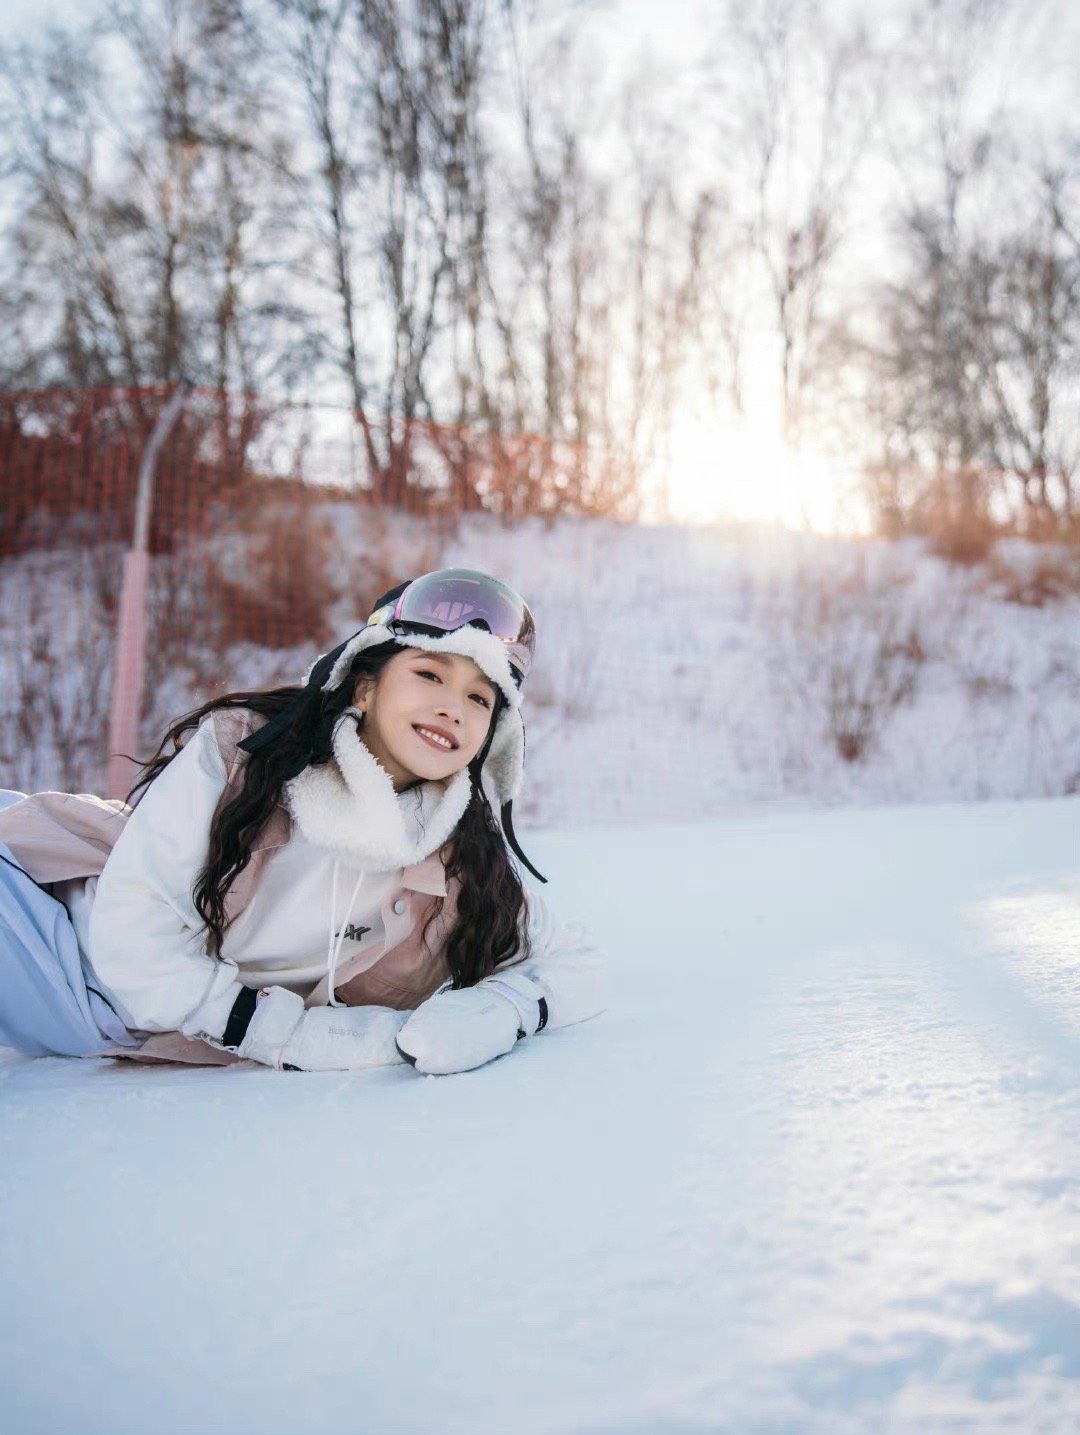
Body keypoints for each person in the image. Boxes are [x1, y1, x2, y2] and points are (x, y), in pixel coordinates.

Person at [0, 568, 605, 1074]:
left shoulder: (463, 865)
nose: (453, 706)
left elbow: (577, 959)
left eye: (480, 698)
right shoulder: (244, 751)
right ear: (364, 688)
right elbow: (133, 942)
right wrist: (278, 1034)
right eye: (429, 674)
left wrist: (507, 1008)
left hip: (104, 1026)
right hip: (41, 924)